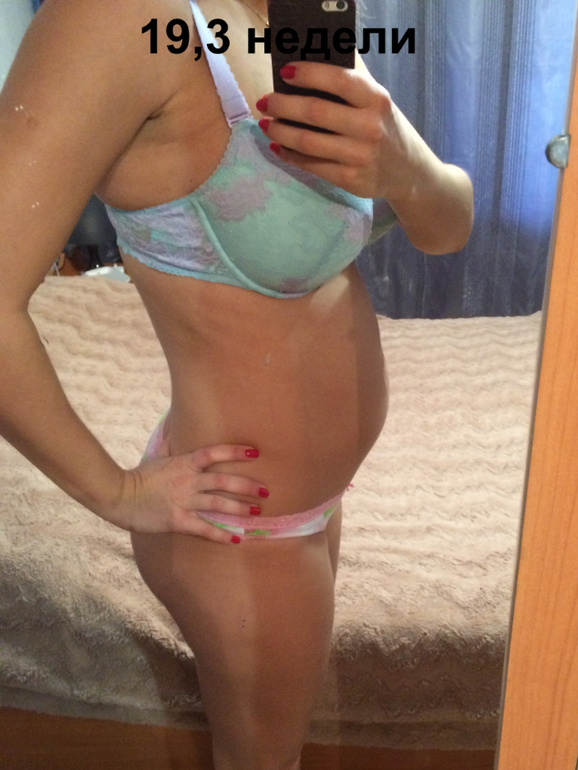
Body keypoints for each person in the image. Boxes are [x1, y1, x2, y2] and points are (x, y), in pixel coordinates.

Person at [0, 0, 473, 768]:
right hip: (244, 530)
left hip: (306, 506)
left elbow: (449, 228)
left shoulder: (295, 12)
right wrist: (116, 492)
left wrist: (406, 169)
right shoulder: (120, 15)